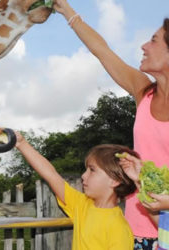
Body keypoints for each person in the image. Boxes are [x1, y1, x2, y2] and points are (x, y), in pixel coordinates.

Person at [53, 0, 169, 248]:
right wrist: (67, 11)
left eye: (154, 40)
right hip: (135, 229)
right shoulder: (144, 92)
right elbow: (102, 51)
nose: (144, 45)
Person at [15, 131, 137, 249]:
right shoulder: (81, 205)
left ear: (114, 180)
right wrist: (22, 144)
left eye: (92, 170)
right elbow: (51, 175)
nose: (83, 175)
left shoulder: (119, 229)